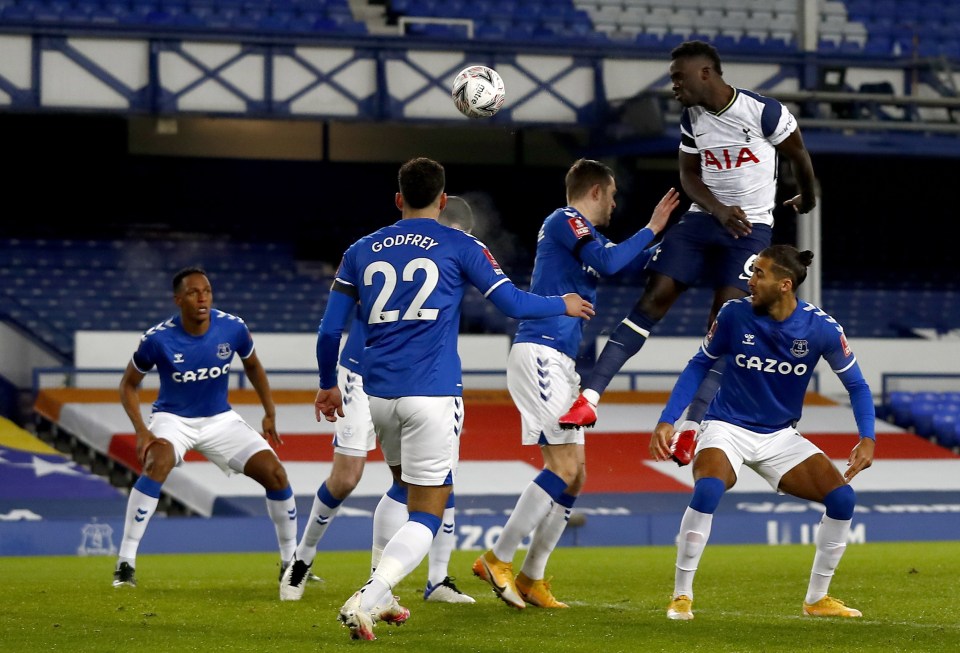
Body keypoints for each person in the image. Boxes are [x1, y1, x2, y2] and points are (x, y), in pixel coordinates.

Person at [314, 157, 594, 640]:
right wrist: (562, 303)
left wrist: (325, 383)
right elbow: (512, 304)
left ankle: (381, 595)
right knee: (429, 510)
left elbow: (329, 330)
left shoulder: (360, 250)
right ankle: (371, 594)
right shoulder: (461, 244)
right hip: (432, 394)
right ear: (443, 201)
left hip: (378, 397)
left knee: (401, 490)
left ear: (398, 198)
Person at [559, 40, 818, 447]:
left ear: (706, 73)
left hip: (751, 230)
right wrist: (716, 209)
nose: (673, 84)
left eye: (679, 77)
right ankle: (589, 397)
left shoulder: (764, 111)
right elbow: (688, 175)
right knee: (654, 297)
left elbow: (799, 156)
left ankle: (693, 426)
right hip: (704, 220)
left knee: (723, 325)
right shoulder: (692, 116)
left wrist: (808, 197)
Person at [473, 159, 678, 609]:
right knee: (562, 469)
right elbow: (608, 260)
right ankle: (496, 558)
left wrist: (669, 246)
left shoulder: (587, 236)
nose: (615, 204)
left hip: (562, 362)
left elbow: (620, 260)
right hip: (541, 352)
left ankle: (532, 577)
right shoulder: (565, 219)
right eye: (613, 195)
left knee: (576, 476)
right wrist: (652, 227)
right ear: (598, 191)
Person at [649, 245, 875, 620]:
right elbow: (699, 364)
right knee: (708, 488)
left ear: (784, 285)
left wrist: (867, 437)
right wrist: (669, 418)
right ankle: (681, 595)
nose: (750, 281)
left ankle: (817, 599)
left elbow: (857, 386)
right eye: (752, 273)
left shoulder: (821, 329)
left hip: (780, 436)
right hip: (726, 427)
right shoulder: (734, 314)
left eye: (759, 274)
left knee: (843, 501)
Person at [278, 196, 480, 605]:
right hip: (363, 373)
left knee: (435, 477)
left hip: (413, 380)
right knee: (348, 476)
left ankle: (435, 580)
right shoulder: (387, 251)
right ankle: (302, 558)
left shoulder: (391, 250)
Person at [112, 267, 296, 589]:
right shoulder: (158, 339)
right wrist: (143, 431)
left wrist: (269, 412)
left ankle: (291, 564)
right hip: (173, 419)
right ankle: (125, 564)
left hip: (219, 419)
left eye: (207, 291)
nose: (203, 298)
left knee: (276, 474)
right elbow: (128, 384)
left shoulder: (233, 328)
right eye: (194, 292)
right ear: (178, 299)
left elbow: (253, 366)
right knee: (158, 463)